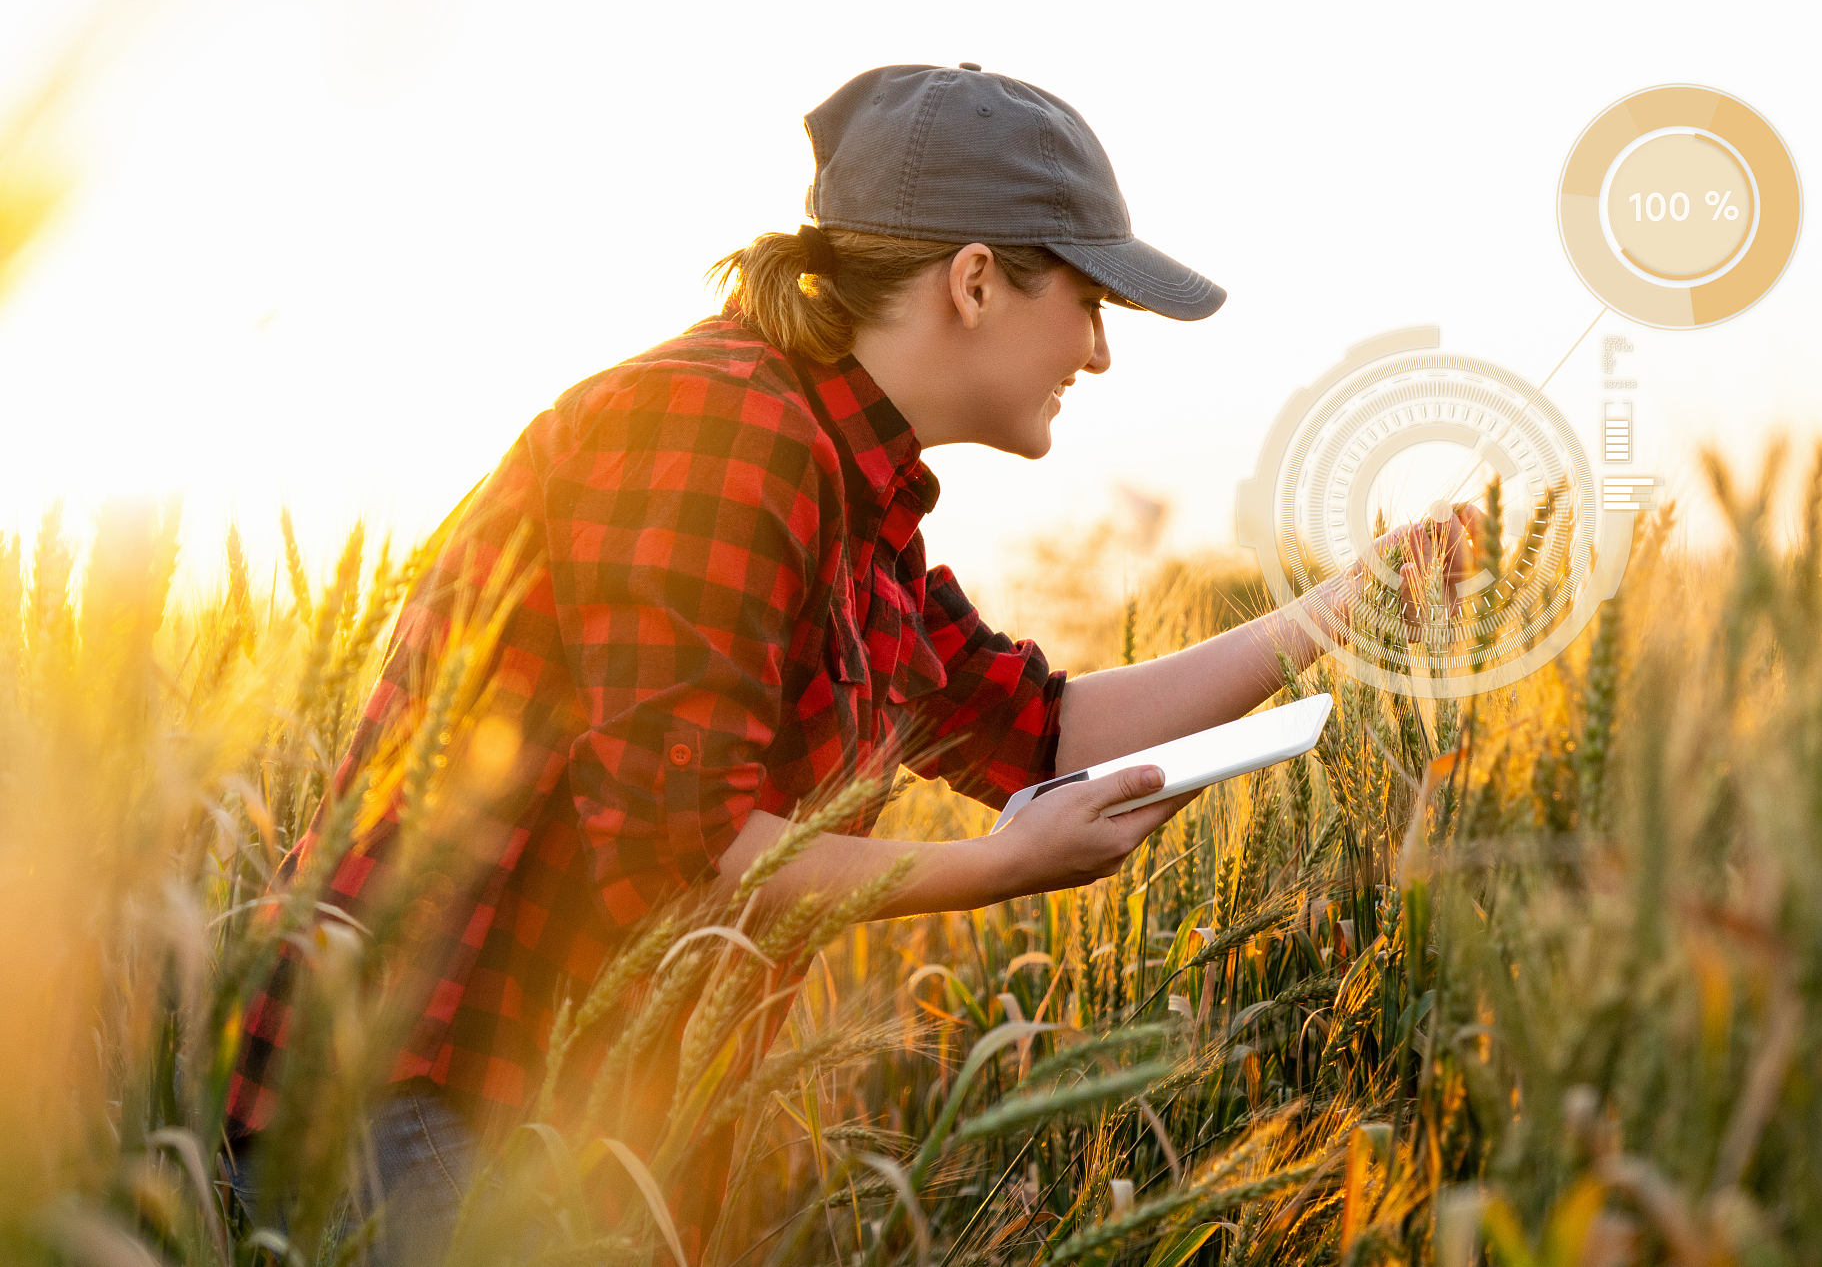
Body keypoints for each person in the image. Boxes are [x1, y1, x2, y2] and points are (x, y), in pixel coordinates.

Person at [223, 62, 1473, 1265]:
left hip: (544, 1111)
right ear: (975, 281)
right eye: (1088, 303)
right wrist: (998, 868)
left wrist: (1338, 610)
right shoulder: (714, 428)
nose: (1096, 353)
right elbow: (688, 843)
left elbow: (1041, 733)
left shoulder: (853, 492)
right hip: (415, 1093)